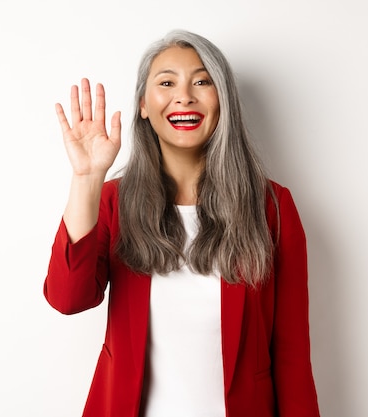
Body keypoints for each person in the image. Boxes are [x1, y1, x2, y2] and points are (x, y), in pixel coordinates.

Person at [44, 30, 320, 417]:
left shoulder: (272, 207)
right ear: (143, 104)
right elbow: (68, 298)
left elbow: (291, 356)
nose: (184, 96)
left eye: (202, 81)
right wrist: (87, 179)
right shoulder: (112, 202)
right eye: (167, 82)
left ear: (222, 101)